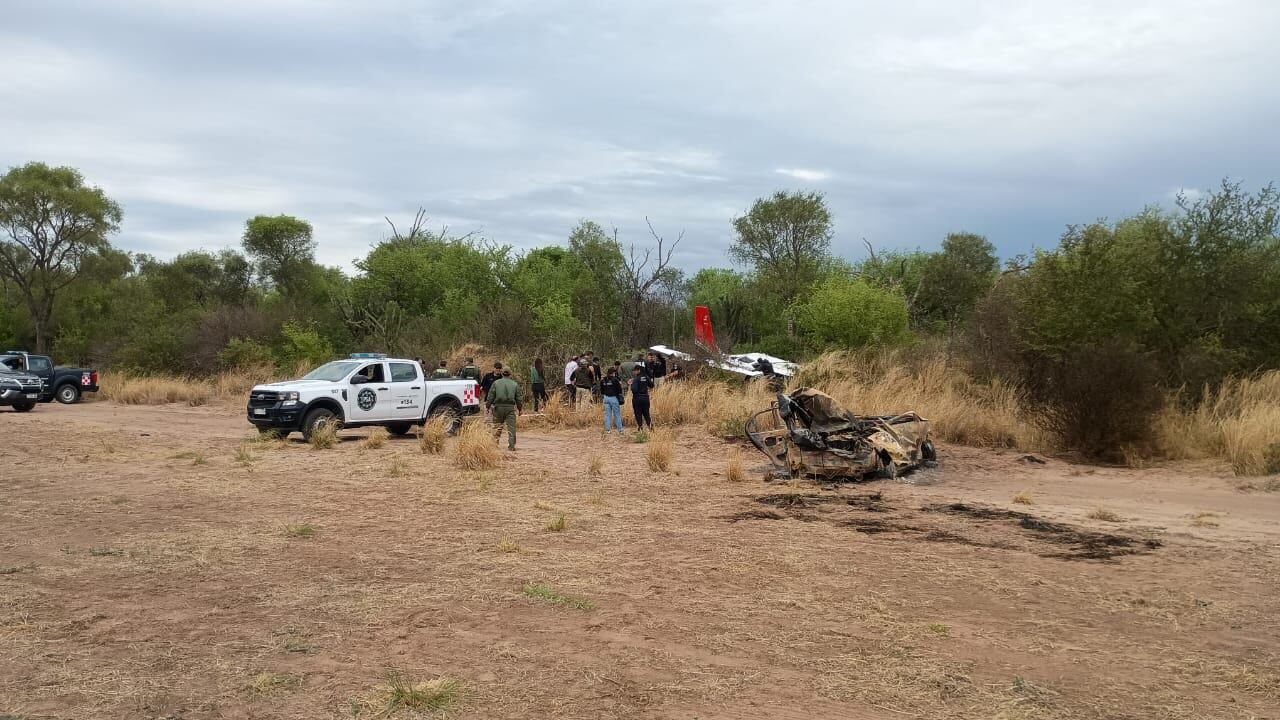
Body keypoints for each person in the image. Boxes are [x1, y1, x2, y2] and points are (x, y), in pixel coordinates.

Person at [486, 368, 522, 450]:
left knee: (497, 427)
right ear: (510, 374)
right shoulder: (514, 384)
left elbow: (491, 396)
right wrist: (520, 409)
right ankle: (511, 446)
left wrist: (488, 406)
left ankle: (495, 445)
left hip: (498, 408)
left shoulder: (496, 383)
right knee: (511, 428)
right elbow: (519, 398)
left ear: (502, 374)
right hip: (510, 408)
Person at [630, 364, 654, 430]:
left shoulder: (636, 379)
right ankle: (650, 427)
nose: (634, 372)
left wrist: (631, 384)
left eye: (635, 370)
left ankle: (640, 427)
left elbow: (634, 390)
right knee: (646, 413)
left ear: (639, 370)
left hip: (637, 398)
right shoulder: (646, 377)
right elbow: (652, 385)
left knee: (638, 413)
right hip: (645, 397)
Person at [601, 366, 625, 434]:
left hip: (606, 398)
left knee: (607, 414)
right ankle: (620, 430)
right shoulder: (615, 380)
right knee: (617, 414)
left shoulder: (603, 380)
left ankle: (607, 430)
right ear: (613, 372)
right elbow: (619, 390)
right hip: (614, 398)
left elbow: (601, 390)